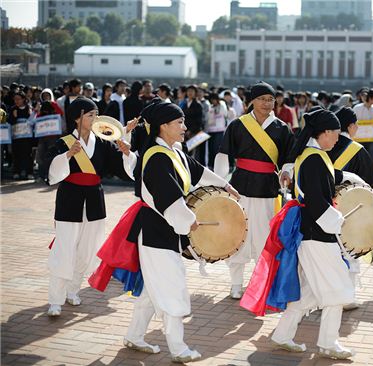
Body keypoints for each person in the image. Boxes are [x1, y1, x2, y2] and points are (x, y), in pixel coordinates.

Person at [90, 100, 239, 363]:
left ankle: (134, 336)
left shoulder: (174, 152)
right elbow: (169, 200)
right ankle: (179, 348)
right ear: (163, 126)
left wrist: (225, 186)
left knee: (153, 290)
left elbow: (198, 171)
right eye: (179, 122)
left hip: (163, 230)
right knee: (172, 287)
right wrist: (188, 220)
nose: (185, 127)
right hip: (157, 231)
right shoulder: (157, 158)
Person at [267, 109, 355, 359]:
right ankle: (328, 344)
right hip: (318, 235)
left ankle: (282, 335)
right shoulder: (315, 159)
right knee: (337, 290)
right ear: (325, 133)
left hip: (310, 232)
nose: (338, 138)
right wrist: (339, 222)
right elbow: (317, 201)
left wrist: (352, 178)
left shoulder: (311, 155)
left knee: (309, 293)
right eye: (336, 134)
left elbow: (328, 181)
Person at [46, 97, 136, 317]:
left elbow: (120, 168)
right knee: (65, 247)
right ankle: (55, 300)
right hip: (70, 199)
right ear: (77, 117)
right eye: (90, 115)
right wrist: (68, 155)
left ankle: (73, 290)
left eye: (96, 115)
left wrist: (125, 149)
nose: (95, 119)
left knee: (87, 249)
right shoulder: (64, 142)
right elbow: (50, 173)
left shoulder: (102, 143)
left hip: (95, 198)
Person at [214, 82, 294, 299]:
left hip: (267, 188)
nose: (267, 103)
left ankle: (260, 283)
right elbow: (223, 155)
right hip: (239, 186)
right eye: (262, 99)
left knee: (263, 236)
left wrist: (287, 172)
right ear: (252, 101)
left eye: (271, 99)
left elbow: (289, 159)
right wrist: (220, 183)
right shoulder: (238, 125)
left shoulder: (281, 128)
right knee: (237, 233)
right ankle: (236, 283)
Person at [328, 106, 373, 187]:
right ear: (350, 126)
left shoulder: (326, 144)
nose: (357, 127)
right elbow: (370, 182)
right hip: (350, 197)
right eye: (356, 123)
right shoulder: (358, 150)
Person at [9, 91, 34, 180]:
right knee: (16, 154)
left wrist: (31, 113)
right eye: (15, 99)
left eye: (18, 99)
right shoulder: (13, 109)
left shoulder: (28, 108)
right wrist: (14, 116)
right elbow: (10, 122)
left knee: (27, 155)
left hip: (27, 137)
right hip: (16, 137)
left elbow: (32, 121)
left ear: (23, 99)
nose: (16, 101)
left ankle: (29, 172)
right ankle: (16, 172)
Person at [205, 93, 228, 169]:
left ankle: (218, 165)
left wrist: (220, 105)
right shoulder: (210, 107)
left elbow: (225, 113)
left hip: (219, 130)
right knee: (211, 148)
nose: (213, 101)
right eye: (211, 100)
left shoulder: (222, 105)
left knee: (217, 148)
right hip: (211, 130)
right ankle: (211, 165)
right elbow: (208, 117)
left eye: (214, 99)